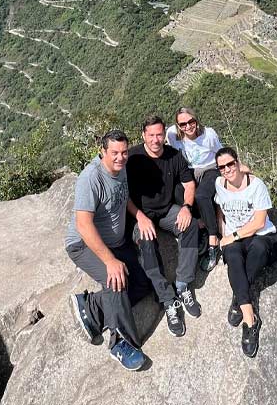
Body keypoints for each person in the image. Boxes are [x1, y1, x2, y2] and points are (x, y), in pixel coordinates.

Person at [66, 130, 151, 370]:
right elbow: (83, 225)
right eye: (114, 153)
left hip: (115, 242)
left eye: (124, 152)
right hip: (84, 244)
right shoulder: (90, 178)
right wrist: (109, 261)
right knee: (117, 281)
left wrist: (139, 215)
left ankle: (92, 307)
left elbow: (122, 198)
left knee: (142, 285)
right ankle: (120, 342)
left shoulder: (121, 167)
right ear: (102, 151)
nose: (121, 157)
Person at [127, 115, 202, 337]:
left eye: (159, 134)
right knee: (147, 243)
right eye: (150, 135)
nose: (155, 139)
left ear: (164, 135)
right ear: (143, 136)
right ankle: (168, 299)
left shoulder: (173, 156)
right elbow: (125, 196)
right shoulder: (132, 158)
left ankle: (183, 283)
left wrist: (187, 207)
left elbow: (189, 184)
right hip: (141, 214)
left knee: (189, 227)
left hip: (166, 210)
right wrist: (139, 216)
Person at [214, 146, 277, 358]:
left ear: (238, 162)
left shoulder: (256, 185)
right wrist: (223, 232)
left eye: (230, 164)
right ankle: (250, 319)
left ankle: (238, 295)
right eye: (222, 167)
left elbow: (260, 221)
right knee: (232, 256)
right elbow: (219, 209)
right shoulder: (219, 184)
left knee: (259, 249)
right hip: (235, 236)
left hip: (259, 235)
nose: (227, 169)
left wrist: (231, 237)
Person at [165, 107, 224, 271]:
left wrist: (237, 169)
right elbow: (156, 142)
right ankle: (200, 224)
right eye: (182, 124)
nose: (188, 126)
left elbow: (220, 153)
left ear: (196, 120)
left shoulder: (208, 134)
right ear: (177, 126)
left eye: (191, 121)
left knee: (202, 195)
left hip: (210, 169)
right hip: (188, 171)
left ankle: (213, 238)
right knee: (176, 191)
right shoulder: (172, 135)